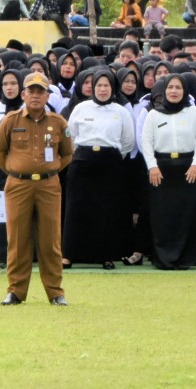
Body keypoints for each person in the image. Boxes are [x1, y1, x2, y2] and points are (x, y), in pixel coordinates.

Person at [0, 72, 74, 304]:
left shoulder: (58, 122)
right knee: (17, 239)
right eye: (32, 91)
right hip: (18, 184)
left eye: (41, 91)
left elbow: (67, 154)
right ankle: (16, 291)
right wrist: (15, 170)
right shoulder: (11, 120)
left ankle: (56, 292)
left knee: (50, 240)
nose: (36, 95)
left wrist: (52, 170)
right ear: (23, 94)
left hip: (49, 185)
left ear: (48, 95)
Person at [63, 67, 135, 268]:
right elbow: (71, 136)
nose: (103, 89)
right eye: (99, 85)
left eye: (107, 85)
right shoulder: (81, 108)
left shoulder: (120, 111)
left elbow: (128, 141)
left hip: (110, 164)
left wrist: (110, 155)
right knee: (75, 208)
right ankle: (68, 254)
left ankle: (105, 256)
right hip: (82, 162)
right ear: (93, 87)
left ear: (113, 88)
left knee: (106, 210)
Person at [140, 73, 196, 269]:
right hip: (161, 170)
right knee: (163, 216)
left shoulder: (193, 112)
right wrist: (152, 165)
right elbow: (146, 141)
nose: (174, 91)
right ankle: (163, 258)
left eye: (178, 88)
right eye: (170, 88)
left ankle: (187, 258)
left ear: (184, 91)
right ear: (164, 90)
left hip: (189, 169)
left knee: (187, 215)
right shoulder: (154, 114)